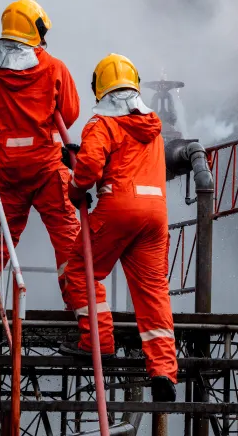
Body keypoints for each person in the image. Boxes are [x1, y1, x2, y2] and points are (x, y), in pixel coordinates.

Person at [61, 53, 178, 402]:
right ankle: (163, 372)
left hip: (119, 208)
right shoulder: (153, 126)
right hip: (155, 215)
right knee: (153, 292)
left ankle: (98, 341)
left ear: (99, 88)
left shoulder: (101, 124)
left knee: (79, 271)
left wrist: (75, 190)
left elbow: (90, 169)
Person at [0, 0, 81, 312]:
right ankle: (79, 299)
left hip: (8, 168)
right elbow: (70, 113)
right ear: (36, 30)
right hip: (47, 164)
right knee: (66, 233)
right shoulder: (53, 68)